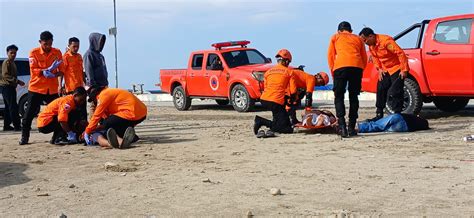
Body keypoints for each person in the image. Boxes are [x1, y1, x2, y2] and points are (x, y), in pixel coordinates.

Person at [20, 31, 63, 145]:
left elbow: (61, 68)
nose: (48, 46)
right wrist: (44, 71)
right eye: (45, 44)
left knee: (58, 112)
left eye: (50, 43)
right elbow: (33, 69)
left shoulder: (57, 52)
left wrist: (58, 75)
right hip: (36, 88)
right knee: (29, 113)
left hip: (52, 88)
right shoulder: (33, 52)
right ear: (40, 42)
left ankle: (57, 136)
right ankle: (25, 137)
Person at [359, 27, 409, 121]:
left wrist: (404, 69)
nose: (364, 43)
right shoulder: (371, 45)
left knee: (395, 91)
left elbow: (400, 53)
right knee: (381, 88)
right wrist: (379, 69)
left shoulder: (386, 41)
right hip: (385, 69)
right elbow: (375, 57)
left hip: (397, 68)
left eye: (365, 40)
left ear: (371, 36)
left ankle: (397, 115)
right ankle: (379, 113)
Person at [327, 21, 368, 137]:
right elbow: (364, 57)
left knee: (339, 96)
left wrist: (333, 71)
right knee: (353, 96)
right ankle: (351, 127)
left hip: (340, 67)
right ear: (351, 31)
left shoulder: (335, 37)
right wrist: (360, 69)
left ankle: (342, 127)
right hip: (356, 67)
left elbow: (330, 56)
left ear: (339, 30)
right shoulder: (358, 39)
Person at [253, 49, 297, 138]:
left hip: (264, 99)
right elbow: (293, 91)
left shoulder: (268, 72)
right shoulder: (289, 72)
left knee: (283, 120)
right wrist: (292, 101)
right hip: (275, 101)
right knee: (287, 129)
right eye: (288, 62)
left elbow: (266, 87)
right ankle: (261, 121)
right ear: (286, 61)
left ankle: (270, 125)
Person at [59, 37, 87, 120]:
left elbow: (82, 71)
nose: (76, 48)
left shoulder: (79, 56)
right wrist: (60, 86)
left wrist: (86, 84)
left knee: (83, 112)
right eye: (74, 46)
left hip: (81, 88)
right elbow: (61, 73)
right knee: (72, 113)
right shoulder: (65, 57)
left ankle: (84, 131)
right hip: (71, 89)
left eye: (78, 46)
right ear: (69, 45)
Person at [0, 44, 25, 131]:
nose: (13, 55)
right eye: (11, 53)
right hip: (6, 87)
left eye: (15, 53)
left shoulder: (12, 62)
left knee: (8, 107)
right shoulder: (6, 62)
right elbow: (5, 75)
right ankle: (17, 126)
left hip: (10, 87)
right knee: (13, 107)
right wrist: (17, 81)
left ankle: (7, 126)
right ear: (7, 53)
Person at [357, 113, 429, 133]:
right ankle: (359, 128)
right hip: (405, 128)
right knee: (380, 127)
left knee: (377, 125)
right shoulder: (423, 125)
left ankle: (358, 128)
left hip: (400, 118)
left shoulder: (415, 117)